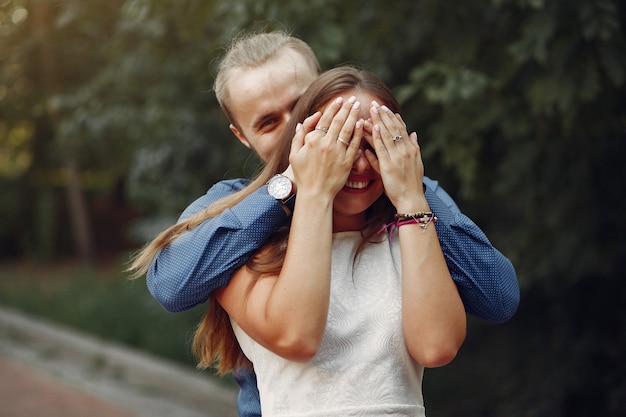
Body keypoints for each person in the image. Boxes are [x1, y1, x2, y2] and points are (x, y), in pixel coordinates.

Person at [129, 31, 519, 417]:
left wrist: (407, 188)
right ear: (242, 137)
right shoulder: (235, 205)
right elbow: (171, 283)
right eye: (267, 123)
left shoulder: (403, 190)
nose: (293, 131)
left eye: (302, 109)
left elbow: (497, 297)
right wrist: (293, 186)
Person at [191, 66, 466, 416]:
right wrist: (315, 190)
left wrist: (411, 197)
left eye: (373, 145)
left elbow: (437, 346)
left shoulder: (412, 238)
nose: (360, 163)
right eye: (340, 143)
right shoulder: (247, 250)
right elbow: (297, 336)